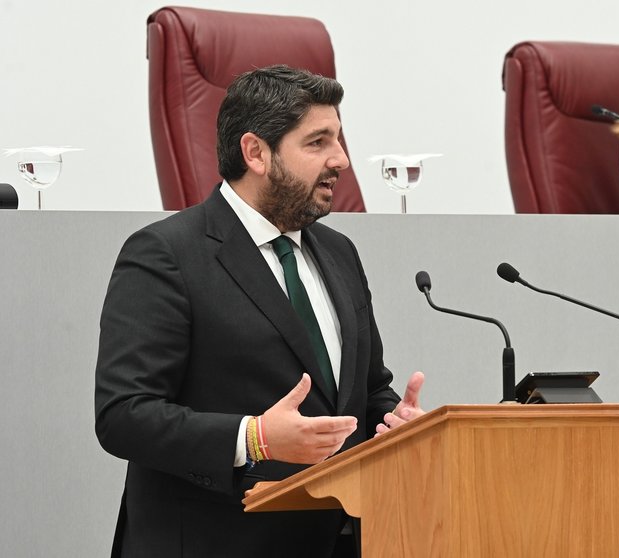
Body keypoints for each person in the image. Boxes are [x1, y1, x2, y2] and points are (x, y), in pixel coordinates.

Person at [94, 65, 425, 558]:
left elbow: (366, 389)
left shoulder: (339, 252)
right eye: (318, 142)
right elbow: (124, 414)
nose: (342, 159)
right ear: (256, 153)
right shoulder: (166, 253)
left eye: (339, 139)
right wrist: (254, 438)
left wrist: (392, 423)